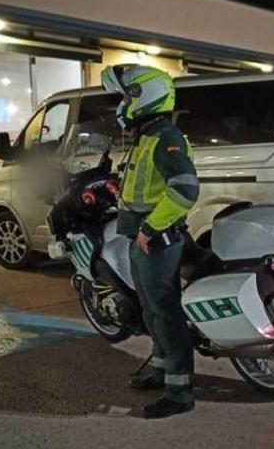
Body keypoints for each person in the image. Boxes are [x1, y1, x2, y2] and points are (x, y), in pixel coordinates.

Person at [101, 64, 199, 418]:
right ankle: (160, 368)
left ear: (147, 97)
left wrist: (149, 229)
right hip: (141, 237)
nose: (123, 103)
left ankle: (180, 391)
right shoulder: (147, 137)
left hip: (157, 240)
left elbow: (185, 191)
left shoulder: (166, 139)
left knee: (165, 311)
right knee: (150, 308)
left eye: (128, 96)